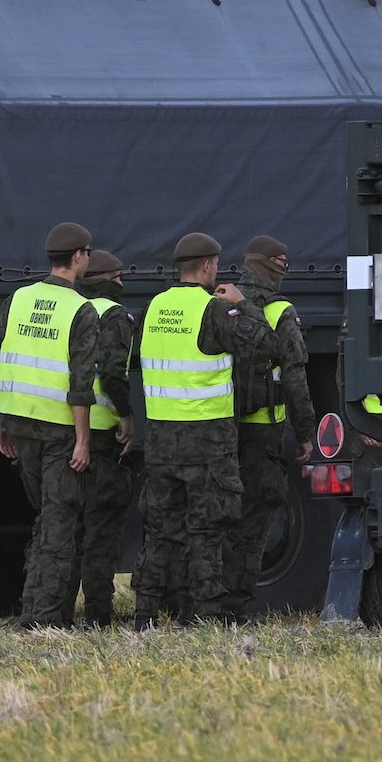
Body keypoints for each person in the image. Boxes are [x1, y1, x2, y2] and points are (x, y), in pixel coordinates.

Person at [130, 232, 277, 628]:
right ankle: (203, 614)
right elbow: (265, 346)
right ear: (210, 265)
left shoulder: (154, 308)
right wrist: (243, 304)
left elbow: (136, 362)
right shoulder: (212, 311)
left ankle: (144, 613)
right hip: (207, 441)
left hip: (161, 439)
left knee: (160, 530)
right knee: (206, 529)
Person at [0, 222, 99, 627]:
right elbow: (81, 386)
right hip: (59, 432)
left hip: (20, 428)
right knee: (59, 523)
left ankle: (39, 612)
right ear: (79, 256)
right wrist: (83, 441)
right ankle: (44, 620)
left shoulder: (18, 299)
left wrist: (2, 421)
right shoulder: (80, 308)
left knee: (48, 518)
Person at [221, 236, 318, 618]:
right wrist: (307, 433)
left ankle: (205, 604)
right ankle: (234, 607)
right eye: (281, 262)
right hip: (263, 433)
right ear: (267, 265)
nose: (285, 268)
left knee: (217, 517)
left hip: (221, 428)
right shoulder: (280, 311)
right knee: (255, 518)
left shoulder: (222, 302)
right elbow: (295, 377)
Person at [70, 249, 137, 626]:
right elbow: (113, 373)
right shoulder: (114, 316)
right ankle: (97, 614)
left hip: (68, 430)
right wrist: (126, 415)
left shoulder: (73, 311)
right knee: (101, 527)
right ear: (111, 281)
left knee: (66, 526)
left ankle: (57, 611)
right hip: (100, 434)